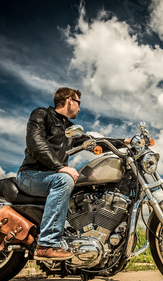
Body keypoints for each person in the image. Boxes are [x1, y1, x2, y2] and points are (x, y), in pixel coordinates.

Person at [16, 87, 128, 260]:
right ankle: (46, 245)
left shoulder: (70, 128)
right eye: (78, 103)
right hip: (31, 175)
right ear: (69, 100)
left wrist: (125, 142)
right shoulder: (41, 115)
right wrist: (59, 167)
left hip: (52, 176)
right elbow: (35, 142)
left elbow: (94, 143)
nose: (80, 108)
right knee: (64, 179)